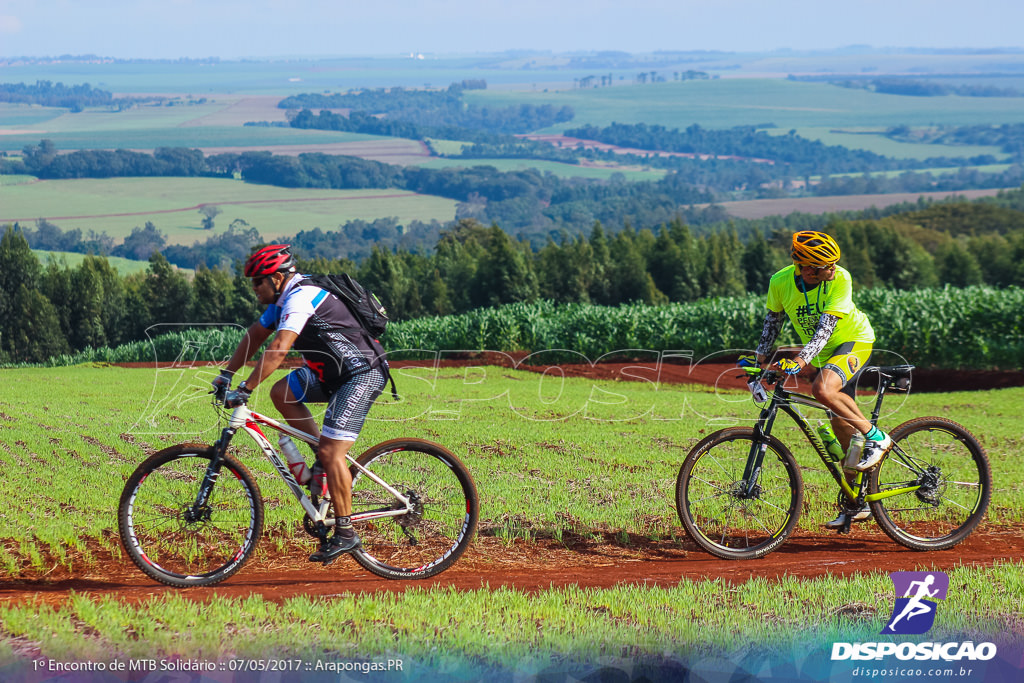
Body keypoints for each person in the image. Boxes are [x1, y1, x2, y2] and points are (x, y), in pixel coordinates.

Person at [213, 244, 389, 563]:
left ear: (277, 278)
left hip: (361, 374)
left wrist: (245, 388)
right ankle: (322, 465)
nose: (253, 289)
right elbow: (255, 335)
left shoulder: (300, 297)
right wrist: (226, 373)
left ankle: (347, 533)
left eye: (257, 282)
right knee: (282, 394)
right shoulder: (283, 298)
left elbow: (279, 349)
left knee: (331, 451)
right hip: (332, 374)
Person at [739, 230, 891, 529]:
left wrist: (799, 360)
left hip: (853, 341)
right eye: (827, 266)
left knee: (822, 388)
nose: (833, 269)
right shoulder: (780, 282)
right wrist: (758, 361)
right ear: (807, 269)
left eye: (834, 264)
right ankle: (857, 502)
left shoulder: (840, 279)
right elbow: (772, 323)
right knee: (843, 432)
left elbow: (825, 329)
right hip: (823, 357)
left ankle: (878, 438)